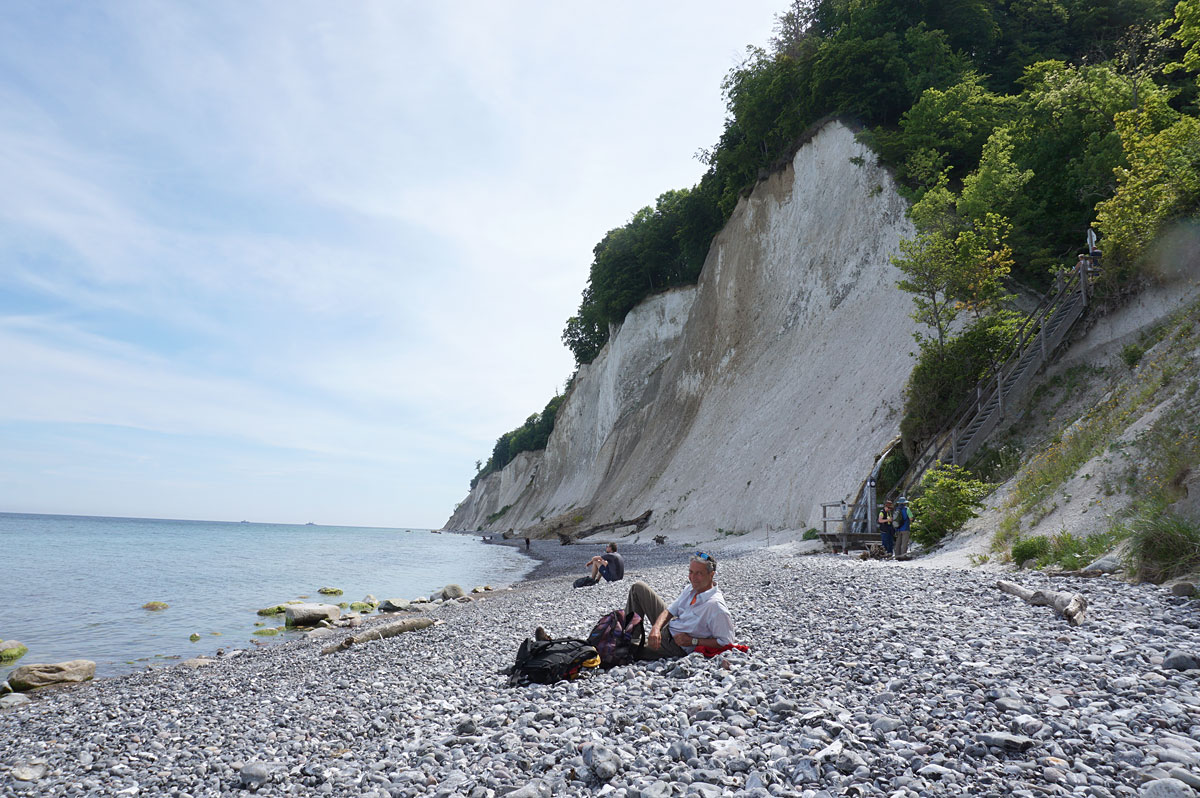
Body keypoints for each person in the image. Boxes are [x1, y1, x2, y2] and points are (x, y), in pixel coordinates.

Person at [625, 552, 734, 659]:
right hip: (671, 625)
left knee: (625, 650)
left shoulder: (716, 606)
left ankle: (625, 644)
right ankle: (628, 636)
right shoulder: (691, 589)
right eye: (691, 572)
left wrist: (693, 641)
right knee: (638, 588)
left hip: (675, 645)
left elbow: (726, 641)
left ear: (711, 575)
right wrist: (656, 628)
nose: (693, 577)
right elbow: (669, 611)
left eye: (699, 573)